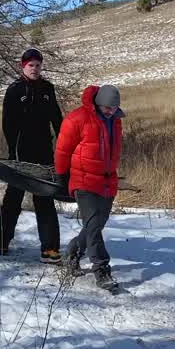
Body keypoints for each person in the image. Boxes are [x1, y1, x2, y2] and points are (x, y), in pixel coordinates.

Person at [0, 48, 64, 263]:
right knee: (13, 197)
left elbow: (57, 119)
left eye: (38, 65)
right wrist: (13, 151)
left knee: (45, 197)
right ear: (22, 66)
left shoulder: (47, 89)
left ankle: (49, 248)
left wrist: (63, 144)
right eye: (30, 65)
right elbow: (8, 124)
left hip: (43, 152)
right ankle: (3, 240)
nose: (34, 69)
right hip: (20, 152)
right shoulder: (14, 90)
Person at [54, 84, 124, 291]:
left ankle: (72, 254)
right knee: (93, 225)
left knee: (96, 225)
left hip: (107, 180)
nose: (111, 112)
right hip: (82, 179)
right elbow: (62, 150)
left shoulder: (116, 121)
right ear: (97, 103)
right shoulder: (77, 118)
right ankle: (102, 270)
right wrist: (61, 176)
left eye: (114, 108)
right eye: (107, 108)